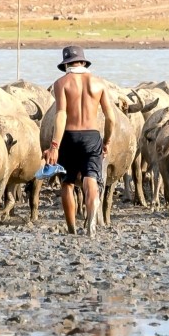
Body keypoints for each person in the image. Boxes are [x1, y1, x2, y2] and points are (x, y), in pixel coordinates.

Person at [43, 45, 114, 235]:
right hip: (92, 135)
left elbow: (61, 115)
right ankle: (92, 213)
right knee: (91, 177)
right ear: (83, 62)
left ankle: (71, 228)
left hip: (69, 136)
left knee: (67, 182)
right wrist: (106, 142)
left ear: (66, 65)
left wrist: (54, 145)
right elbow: (111, 118)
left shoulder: (61, 83)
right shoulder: (99, 83)